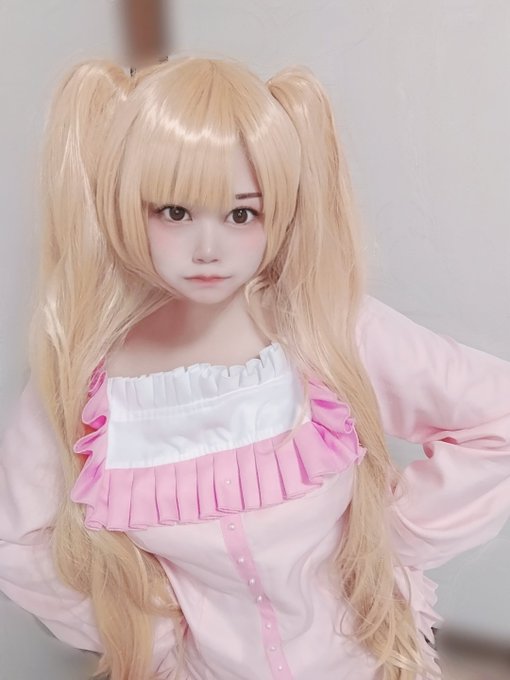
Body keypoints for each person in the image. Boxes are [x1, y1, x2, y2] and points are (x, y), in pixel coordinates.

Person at [0, 55, 509, 680]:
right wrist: (148, 634)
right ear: (124, 205)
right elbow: (16, 539)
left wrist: (387, 546)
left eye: (243, 214)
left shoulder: (329, 329)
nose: (208, 250)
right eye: (175, 212)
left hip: (369, 660)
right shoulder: (84, 377)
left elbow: (497, 417)